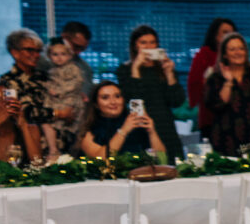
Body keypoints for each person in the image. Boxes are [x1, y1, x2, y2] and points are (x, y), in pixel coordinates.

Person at [116, 24, 186, 162]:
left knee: (173, 166)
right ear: (135, 46)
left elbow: (177, 101)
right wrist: (136, 68)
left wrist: (169, 74)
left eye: (152, 42)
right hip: (140, 126)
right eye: (143, 43)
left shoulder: (163, 69)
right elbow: (133, 100)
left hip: (166, 126)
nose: (148, 47)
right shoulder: (125, 70)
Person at [201, 33, 250, 157]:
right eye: (232, 49)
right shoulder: (215, 79)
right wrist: (228, 82)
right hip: (227, 141)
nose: (238, 52)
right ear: (224, 54)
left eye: (241, 48)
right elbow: (216, 105)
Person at [0, 29, 55, 162]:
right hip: (29, 144)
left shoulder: (44, 76)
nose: (36, 55)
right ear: (15, 52)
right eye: (30, 50)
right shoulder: (8, 81)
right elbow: (26, 113)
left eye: (38, 51)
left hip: (56, 142)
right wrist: (59, 113)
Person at [77, 80, 167, 159]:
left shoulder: (136, 123)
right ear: (96, 104)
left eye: (117, 96)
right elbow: (101, 160)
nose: (113, 102)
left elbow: (161, 159)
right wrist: (124, 130)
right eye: (105, 97)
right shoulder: (88, 130)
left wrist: (151, 132)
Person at [188, 16, 237, 132]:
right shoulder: (203, 56)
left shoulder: (238, 57)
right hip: (211, 118)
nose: (228, 36)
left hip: (236, 118)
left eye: (232, 33)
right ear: (215, 36)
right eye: (225, 32)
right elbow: (194, 84)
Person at [43, 37, 89, 154]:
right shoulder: (51, 70)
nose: (59, 57)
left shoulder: (73, 68)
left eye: (63, 54)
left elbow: (76, 83)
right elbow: (49, 83)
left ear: (69, 55)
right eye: (55, 54)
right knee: (47, 121)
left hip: (69, 99)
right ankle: (53, 148)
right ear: (49, 56)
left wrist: (59, 92)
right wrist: (49, 89)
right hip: (56, 101)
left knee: (72, 126)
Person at [40, 20, 95, 95]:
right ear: (64, 37)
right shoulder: (42, 62)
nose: (78, 52)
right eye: (76, 46)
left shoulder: (85, 68)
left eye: (82, 49)